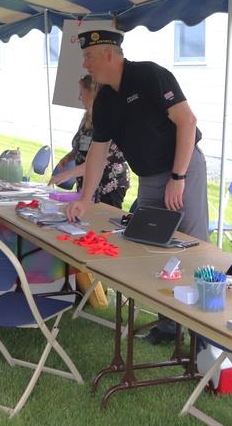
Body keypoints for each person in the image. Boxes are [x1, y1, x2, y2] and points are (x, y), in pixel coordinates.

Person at [65, 29, 208, 345]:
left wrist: (178, 177)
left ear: (109, 55)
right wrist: (84, 198)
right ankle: (169, 326)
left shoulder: (150, 75)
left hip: (182, 170)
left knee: (194, 247)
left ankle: (203, 332)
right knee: (151, 246)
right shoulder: (104, 100)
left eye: (89, 57)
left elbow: (188, 121)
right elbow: (98, 151)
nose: (86, 64)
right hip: (149, 178)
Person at [49, 74, 129, 208]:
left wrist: (68, 175)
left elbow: (99, 159)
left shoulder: (110, 119)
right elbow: (82, 145)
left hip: (108, 186)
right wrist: (69, 157)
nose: (79, 98)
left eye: (81, 94)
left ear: (93, 93)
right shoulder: (88, 116)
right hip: (86, 184)